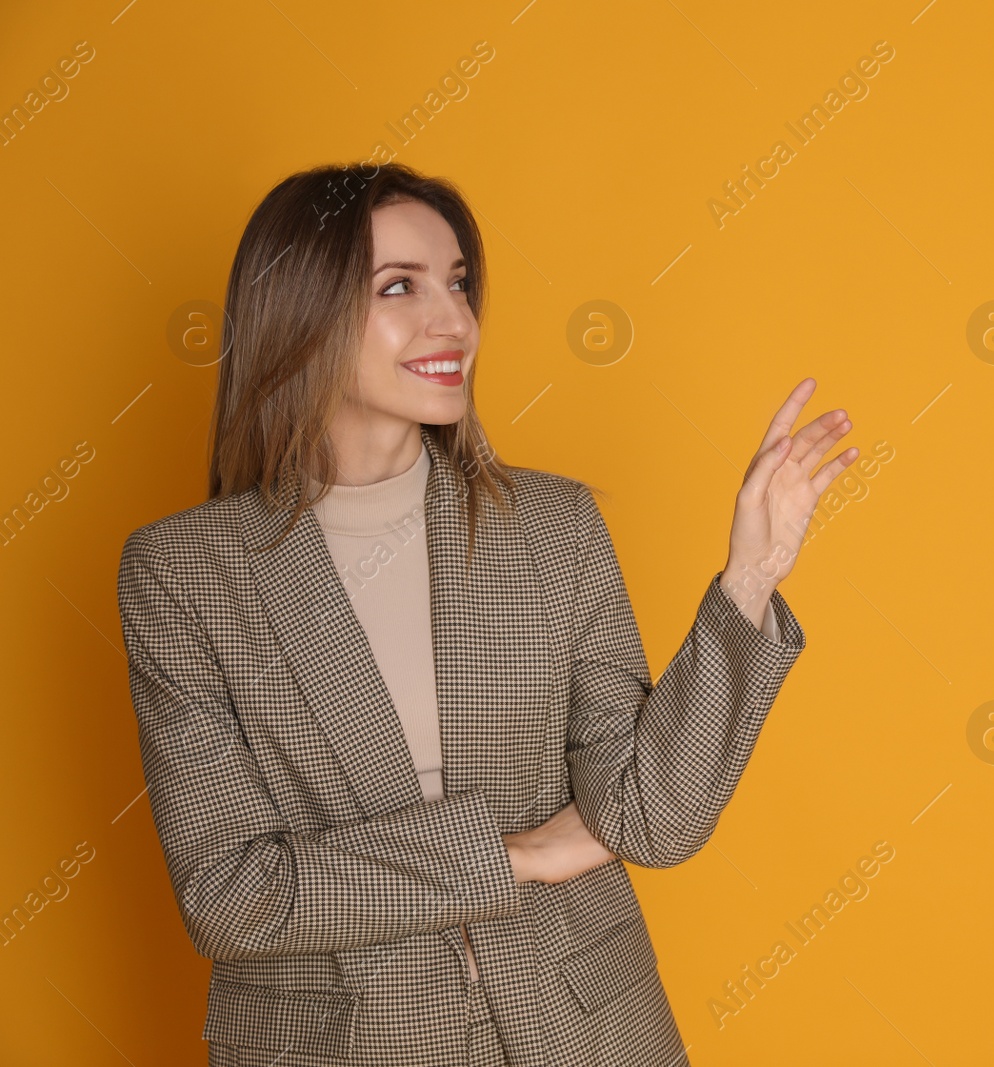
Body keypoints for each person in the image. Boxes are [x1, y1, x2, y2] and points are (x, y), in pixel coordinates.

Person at [115, 161, 857, 1066]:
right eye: (401, 287)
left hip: (585, 1032)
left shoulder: (552, 527)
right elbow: (236, 896)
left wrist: (750, 574)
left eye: (460, 284)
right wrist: (513, 855)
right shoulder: (184, 573)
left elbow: (648, 816)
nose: (454, 321)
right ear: (300, 314)